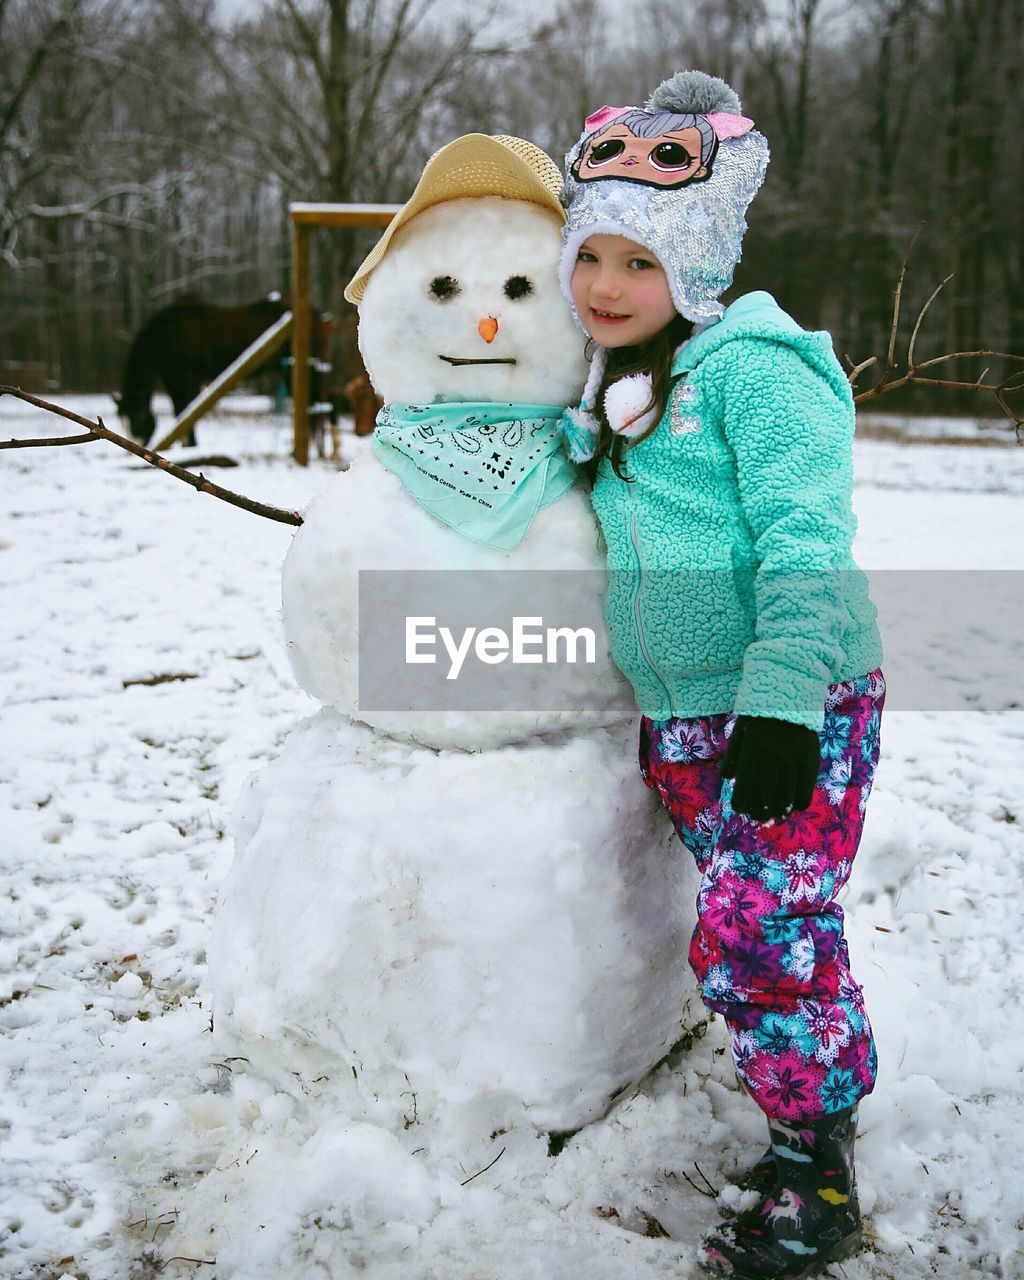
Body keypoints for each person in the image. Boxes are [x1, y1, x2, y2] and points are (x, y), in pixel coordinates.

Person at [556, 70, 885, 1279]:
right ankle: (793, 1090)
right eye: (590, 256)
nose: (605, 286)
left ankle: (819, 1158)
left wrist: (785, 698)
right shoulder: (622, 382)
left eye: (638, 264)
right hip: (686, 719)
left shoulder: (756, 370)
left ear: (693, 266)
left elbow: (807, 537)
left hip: (791, 702)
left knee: (764, 928)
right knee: (746, 924)